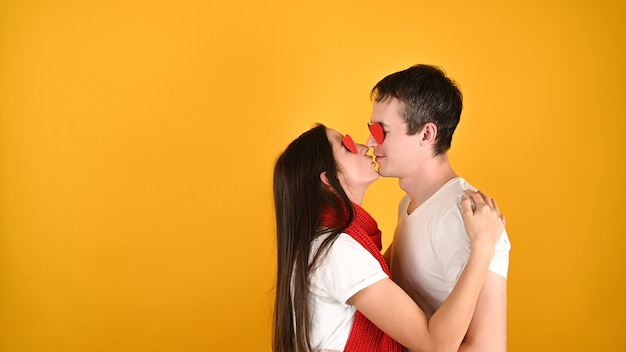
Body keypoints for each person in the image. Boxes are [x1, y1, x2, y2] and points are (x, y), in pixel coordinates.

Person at [272, 123, 506, 352]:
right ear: (327, 179)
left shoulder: (332, 244)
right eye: (346, 145)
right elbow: (436, 344)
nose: (365, 146)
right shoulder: (337, 251)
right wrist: (483, 248)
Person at [366, 64, 512, 351]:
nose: (371, 142)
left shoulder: (466, 216)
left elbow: (488, 346)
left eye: (382, 131)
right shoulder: (407, 203)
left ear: (426, 135)